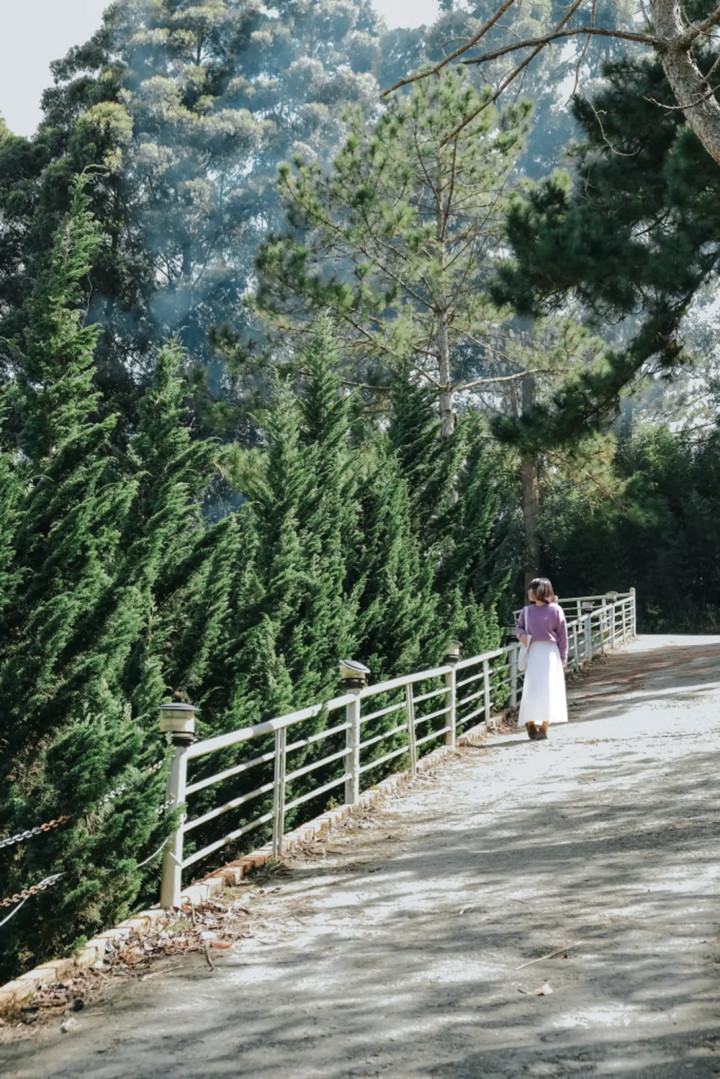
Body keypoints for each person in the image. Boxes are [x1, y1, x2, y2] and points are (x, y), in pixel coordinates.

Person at [516, 577, 568, 740]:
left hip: (550, 652)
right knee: (531, 689)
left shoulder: (556, 610)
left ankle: (544, 726)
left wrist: (563, 656)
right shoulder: (526, 611)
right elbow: (518, 628)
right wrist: (522, 636)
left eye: (533, 589)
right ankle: (530, 723)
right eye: (530, 589)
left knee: (549, 689)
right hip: (533, 650)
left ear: (543, 591)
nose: (529, 592)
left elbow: (562, 635)